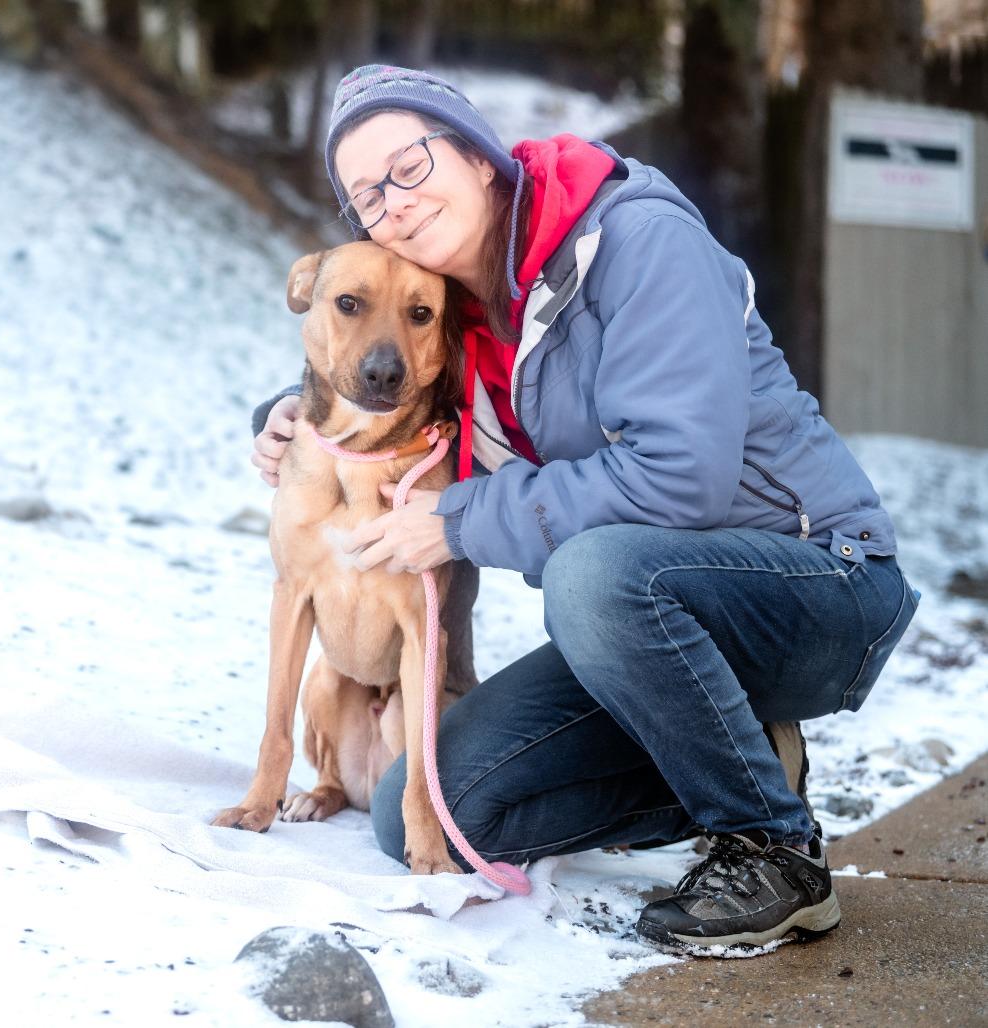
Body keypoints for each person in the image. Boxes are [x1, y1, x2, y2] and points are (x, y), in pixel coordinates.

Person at [250, 65, 919, 954]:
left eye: (408, 165)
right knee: (427, 811)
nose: (394, 202)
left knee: (591, 573)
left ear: (480, 158)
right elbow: (386, 390)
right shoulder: (470, 316)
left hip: (821, 584)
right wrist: (287, 418)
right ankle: (736, 753)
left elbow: (682, 476)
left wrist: (456, 521)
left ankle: (770, 847)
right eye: (367, 195)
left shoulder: (637, 240)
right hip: (656, 631)